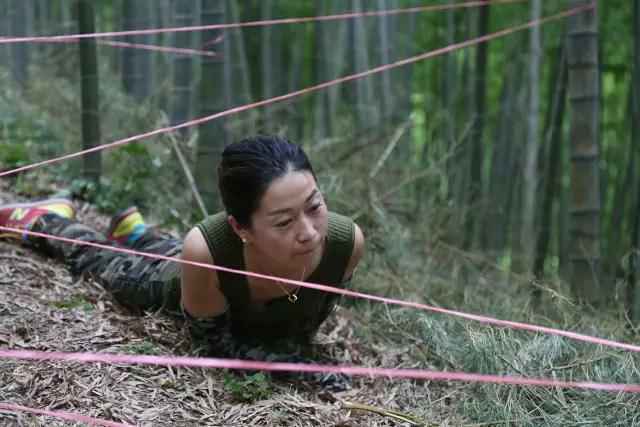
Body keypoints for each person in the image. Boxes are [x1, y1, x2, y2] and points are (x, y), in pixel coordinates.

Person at [0, 135, 365, 388]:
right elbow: (214, 345)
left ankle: (138, 233)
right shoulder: (208, 254)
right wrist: (296, 369)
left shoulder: (345, 244)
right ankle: (43, 220)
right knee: (106, 265)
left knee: (172, 249)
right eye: (284, 222)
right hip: (177, 283)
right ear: (241, 228)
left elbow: (303, 325)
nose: (309, 233)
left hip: (198, 261)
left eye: (314, 206)